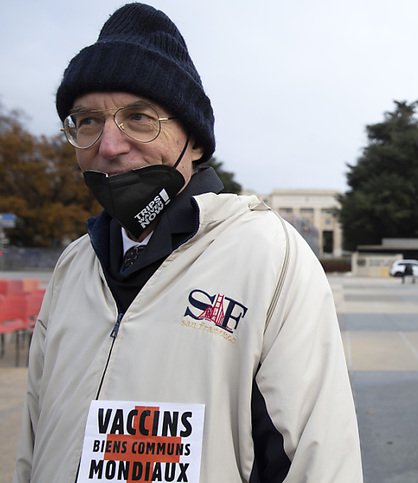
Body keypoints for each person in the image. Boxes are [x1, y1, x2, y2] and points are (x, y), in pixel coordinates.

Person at [13, 4, 362, 482]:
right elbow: (33, 445)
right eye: (87, 121)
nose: (109, 145)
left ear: (193, 140)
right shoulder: (74, 266)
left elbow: (318, 463)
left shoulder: (268, 255)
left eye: (138, 118)